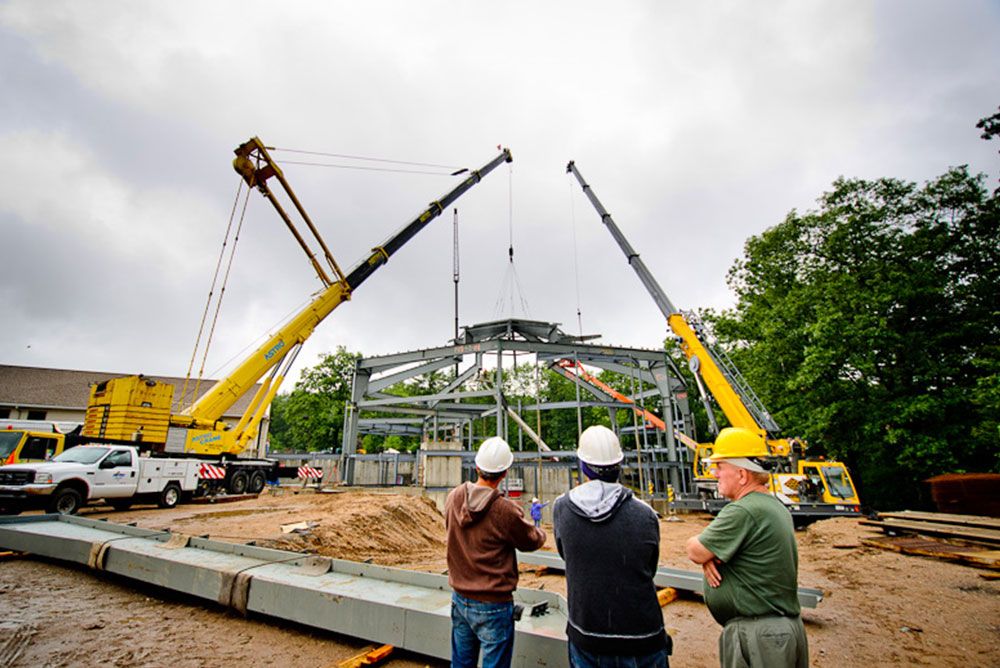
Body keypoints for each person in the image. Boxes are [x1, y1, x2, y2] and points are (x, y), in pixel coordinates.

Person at [685, 427, 809, 668]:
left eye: (720, 467)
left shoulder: (743, 510)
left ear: (742, 475)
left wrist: (707, 555)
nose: (714, 473)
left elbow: (695, 550)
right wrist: (711, 555)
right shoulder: (773, 507)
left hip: (759, 636)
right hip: (778, 631)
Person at [553, 425, 671, 667]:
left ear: (583, 464)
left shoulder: (562, 509)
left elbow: (567, 555)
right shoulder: (645, 515)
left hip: (587, 634)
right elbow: (649, 567)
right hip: (642, 638)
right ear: (619, 464)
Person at [445, 436, 547, 668]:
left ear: (477, 467)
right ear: (504, 473)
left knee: (461, 663)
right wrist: (542, 533)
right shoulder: (505, 510)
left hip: (459, 598)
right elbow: (530, 541)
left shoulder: (453, 498)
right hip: (493, 604)